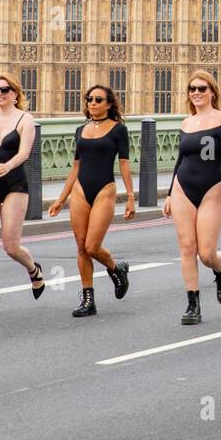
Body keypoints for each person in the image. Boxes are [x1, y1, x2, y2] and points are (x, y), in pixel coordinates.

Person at [49, 85, 134, 318]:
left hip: (104, 189)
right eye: (89, 99)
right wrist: (60, 199)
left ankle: (116, 268)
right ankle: (88, 297)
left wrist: (130, 196)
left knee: (92, 246)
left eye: (98, 99)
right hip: (80, 190)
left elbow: (124, 164)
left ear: (109, 103)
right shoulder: (80, 130)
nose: (93, 103)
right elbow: (75, 167)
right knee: (80, 245)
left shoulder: (118, 130)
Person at [164, 70, 221, 325]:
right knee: (187, 247)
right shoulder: (186, 123)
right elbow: (180, 159)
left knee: (206, 253)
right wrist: (169, 194)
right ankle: (192, 304)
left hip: (211, 188)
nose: (196, 93)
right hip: (182, 186)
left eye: (202, 88)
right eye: (192, 89)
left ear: (212, 92)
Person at [0, 73, 43, 316]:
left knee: (11, 246)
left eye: (4, 90)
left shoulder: (26, 119)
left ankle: (34, 270)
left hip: (15, 182)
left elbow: (24, 153)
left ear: (15, 93)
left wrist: (9, 166)